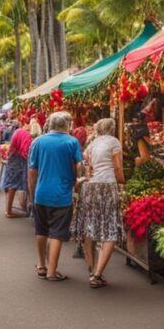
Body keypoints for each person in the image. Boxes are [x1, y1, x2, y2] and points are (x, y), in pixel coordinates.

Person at [28, 111, 83, 282]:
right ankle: (52, 270)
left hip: (41, 193)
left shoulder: (38, 142)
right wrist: (76, 182)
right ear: (67, 125)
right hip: (62, 194)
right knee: (57, 233)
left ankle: (41, 265)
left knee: (41, 230)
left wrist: (32, 193)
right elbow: (79, 167)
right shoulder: (72, 142)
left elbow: (32, 171)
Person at [72, 118, 125, 289]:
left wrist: (88, 174)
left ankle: (91, 268)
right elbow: (117, 167)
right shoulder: (114, 142)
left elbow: (84, 163)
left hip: (91, 186)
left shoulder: (92, 144)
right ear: (112, 129)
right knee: (110, 228)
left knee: (90, 226)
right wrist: (122, 181)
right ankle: (97, 274)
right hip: (107, 186)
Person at [2, 124, 33, 218]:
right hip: (19, 162)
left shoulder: (13, 150)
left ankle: (8, 209)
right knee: (13, 187)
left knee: (10, 187)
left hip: (13, 161)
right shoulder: (24, 147)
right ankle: (9, 211)